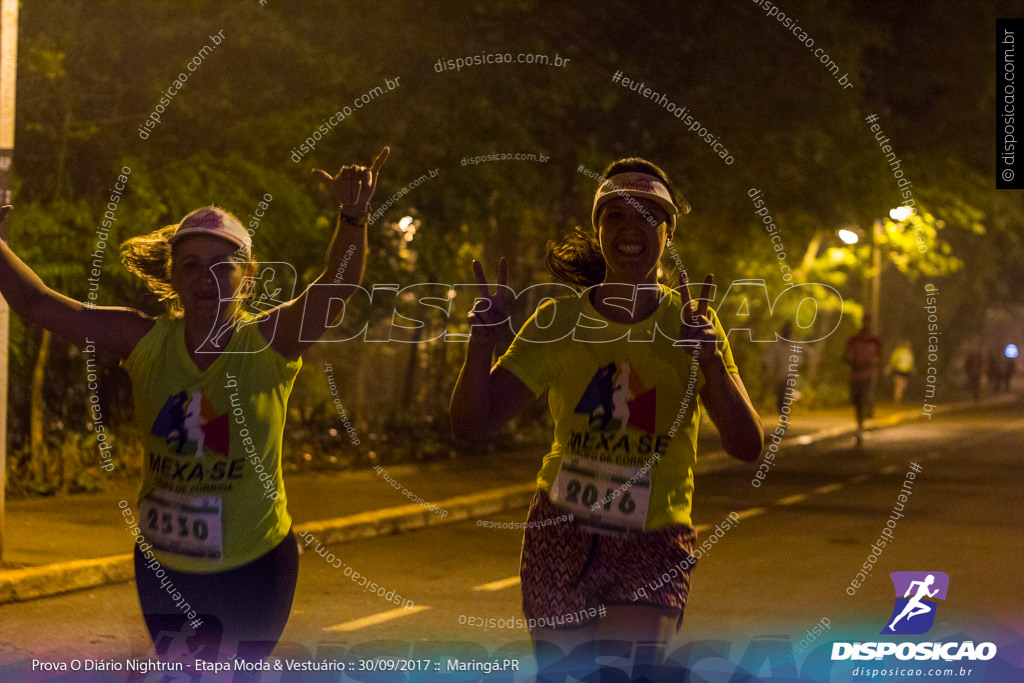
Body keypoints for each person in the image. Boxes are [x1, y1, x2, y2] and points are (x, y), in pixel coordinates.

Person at [0, 147, 388, 662]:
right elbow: (39, 303)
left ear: (247, 277)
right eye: (192, 265)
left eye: (222, 265)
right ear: (176, 278)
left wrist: (353, 218)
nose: (207, 278)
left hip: (256, 564)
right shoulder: (144, 341)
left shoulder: (270, 341)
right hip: (163, 564)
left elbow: (336, 288)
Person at [450, 158, 764, 677]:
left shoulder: (691, 325)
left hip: (655, 535)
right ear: (598, 231)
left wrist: (709, 362)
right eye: (614, 215)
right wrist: (479, 348)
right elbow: (471, 426)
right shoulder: (559, 319)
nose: (630, 229)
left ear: (667, 232)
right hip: (562, 529)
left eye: (649, 216)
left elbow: (747, 446)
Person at [843, 316, 882, 444]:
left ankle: (863, 422)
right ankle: (860, 425)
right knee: (857, 402)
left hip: (869, 375)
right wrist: (854, 362)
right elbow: (845, 356)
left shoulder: (875, 341)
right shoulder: (854, 340)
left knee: (865, 398)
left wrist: (870, 364)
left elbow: (881, 358)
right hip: (856, 375)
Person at [885, 339, 915, 403]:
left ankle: (899, 397)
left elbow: (911, 363)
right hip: (899, 369)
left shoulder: (909, 353)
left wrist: (913, 369)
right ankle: (897, 398)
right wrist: (888, 368)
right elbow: (893, 361)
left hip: (906, 371)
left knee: (904, 385)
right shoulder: (898, 351)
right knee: (898, 384)